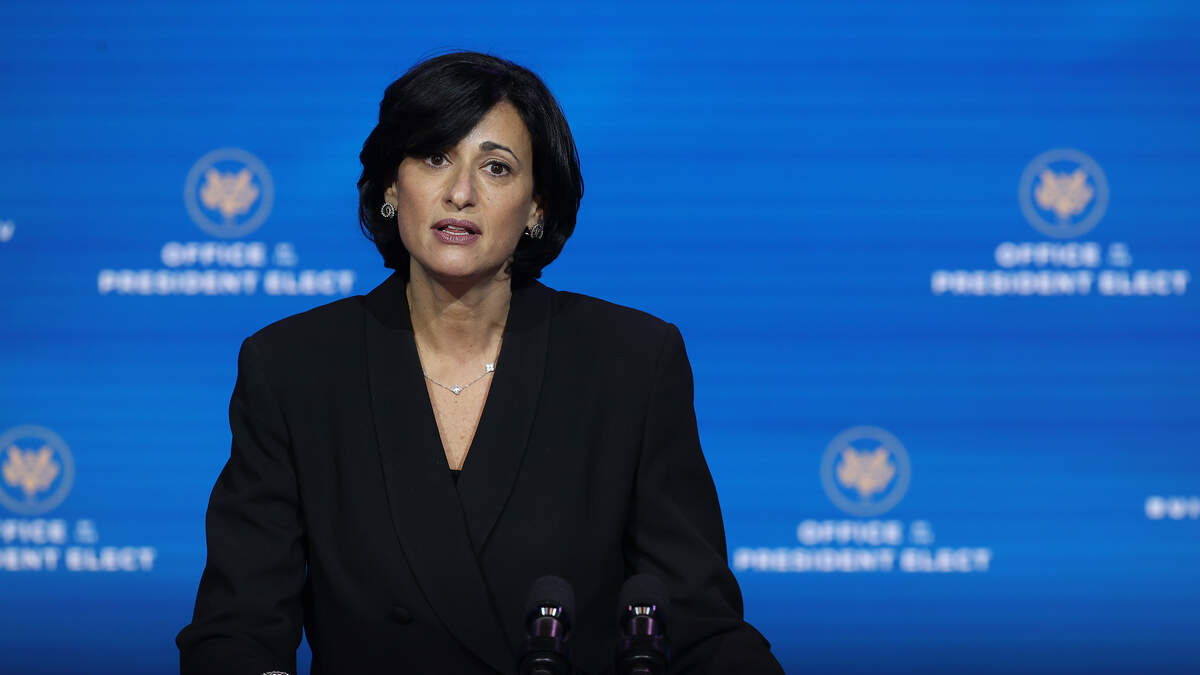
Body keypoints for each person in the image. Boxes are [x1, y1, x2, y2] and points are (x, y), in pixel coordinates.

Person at [176, 51, 783, 675]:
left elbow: (700, 624)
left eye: (496, 167)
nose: (460, 193)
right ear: (391, 187)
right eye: (434, 158)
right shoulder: (294, 368)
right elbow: (238, 630)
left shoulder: (631, 363)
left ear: (537, 205)